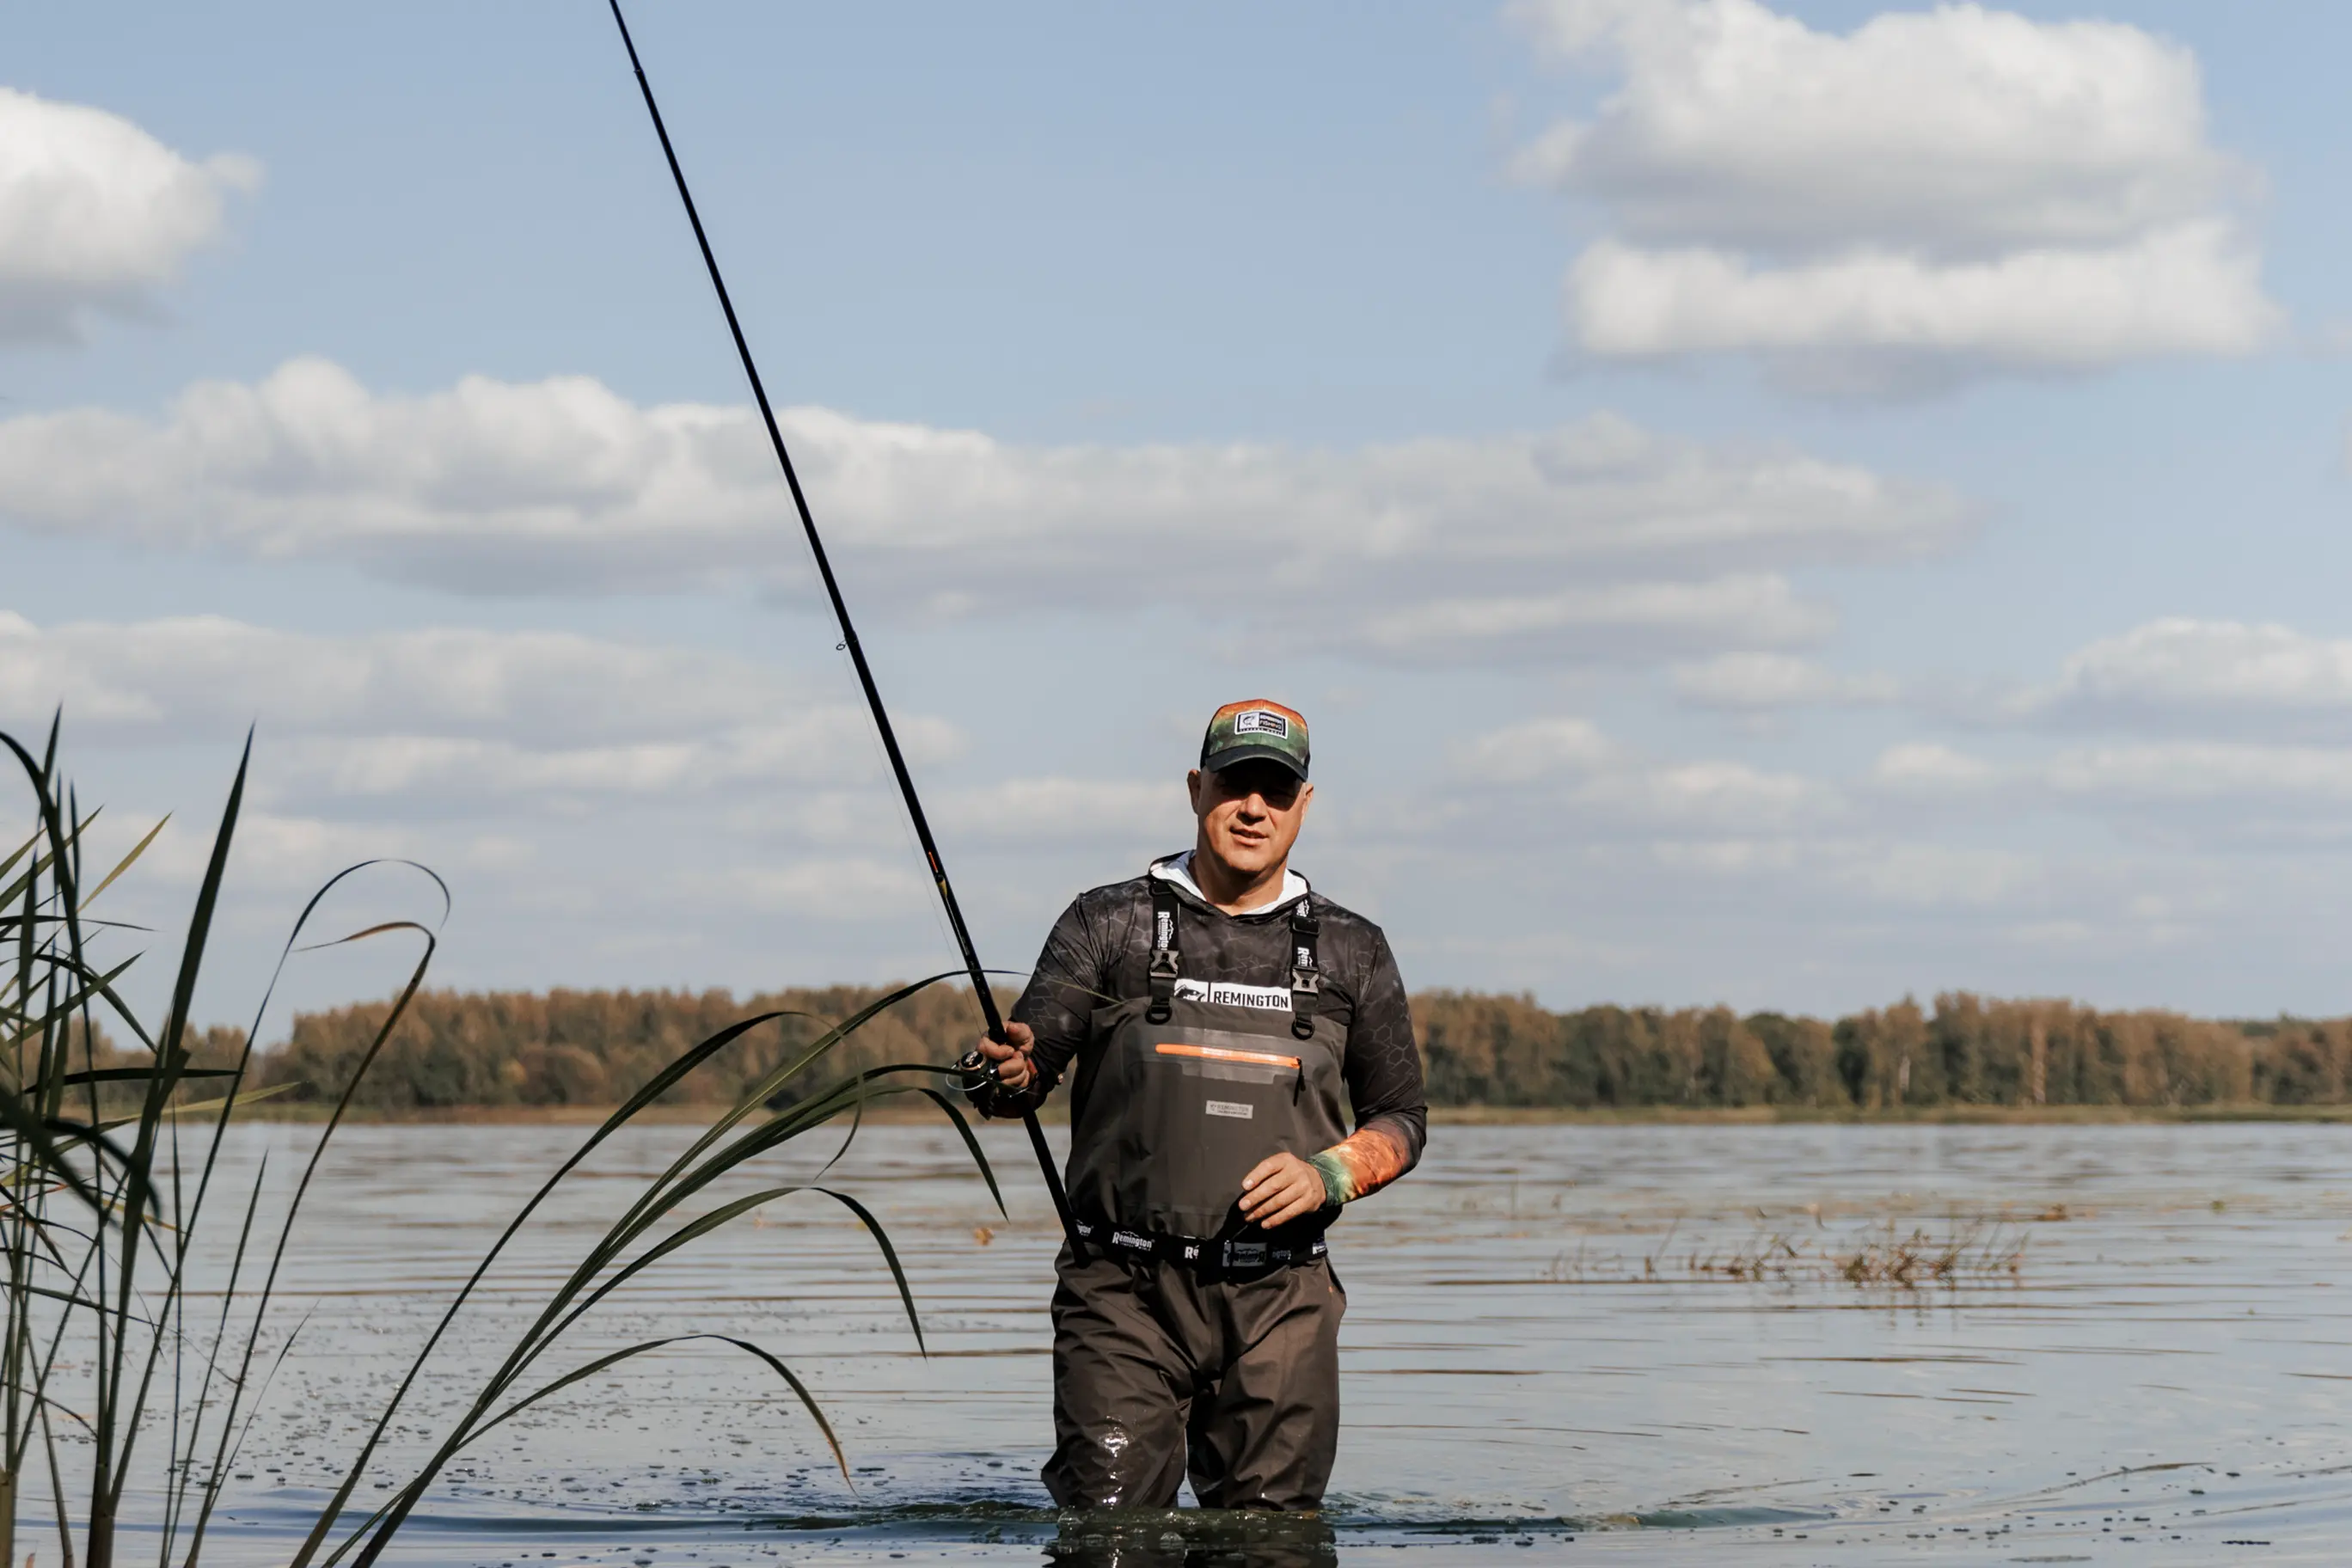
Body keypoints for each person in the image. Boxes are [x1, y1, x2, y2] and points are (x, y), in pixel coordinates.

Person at [965, 699, 1427, 1513]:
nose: (1253, 808)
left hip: (1283, 1301)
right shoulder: (1108, 922)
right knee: (1108, 1538)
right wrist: (994, 1073)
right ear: (1194, 789)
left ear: (1303, 805)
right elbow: (1021, 1078)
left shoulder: (1354, 948)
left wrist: (1329, 1174)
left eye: (1275, 791)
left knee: (1273, 1547)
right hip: (1122, 1296)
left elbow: (1402, 1120)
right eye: (1233, 785)